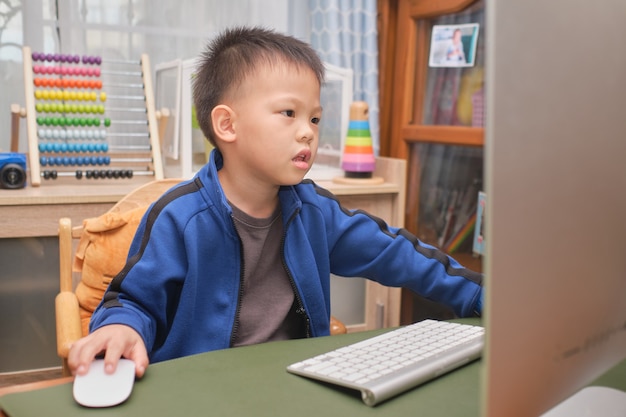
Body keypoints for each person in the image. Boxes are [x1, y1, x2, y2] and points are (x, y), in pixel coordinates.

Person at [68, 26, 484, 378]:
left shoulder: (316, 212)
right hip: (199, 389)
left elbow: (398, 254)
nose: (308, 132)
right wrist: (124, 328)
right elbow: (132, 300)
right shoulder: (179, 217)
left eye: (315, 118)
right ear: (227, 124)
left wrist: (481, 297)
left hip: (294, 385)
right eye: (289, 112)